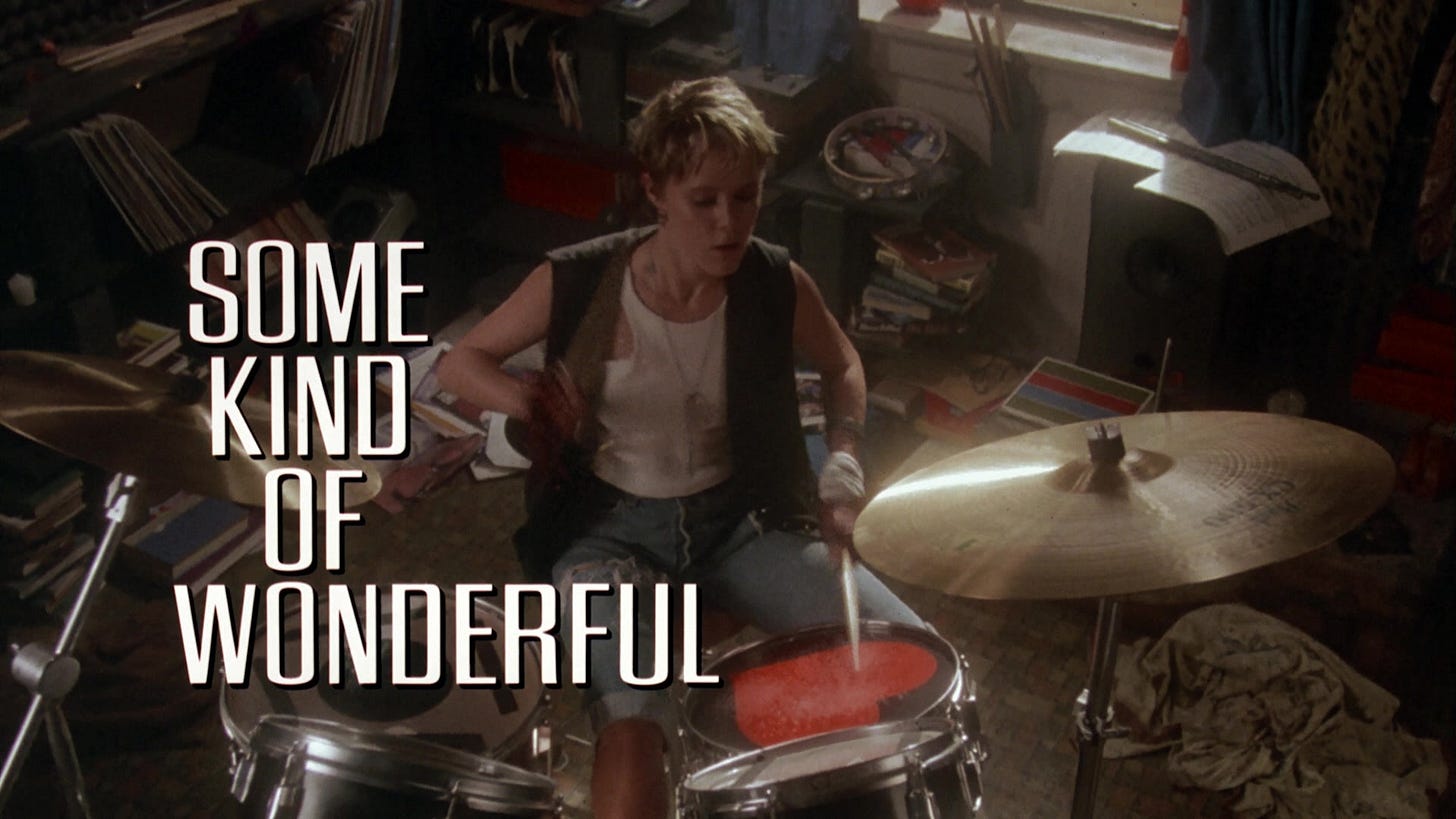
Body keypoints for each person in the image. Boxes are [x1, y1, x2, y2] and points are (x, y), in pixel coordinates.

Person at [437, 76, 923, 819]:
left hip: (742, 523)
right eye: (704, 200)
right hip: (606, 532)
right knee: (633, 730)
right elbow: (460, 363)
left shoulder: (773, 280)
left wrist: (846, 457)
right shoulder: (579, 279)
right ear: (655, 191)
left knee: (911, 659)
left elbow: (843, 364)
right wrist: (529, 401)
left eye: (746, 196)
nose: (729, 221)